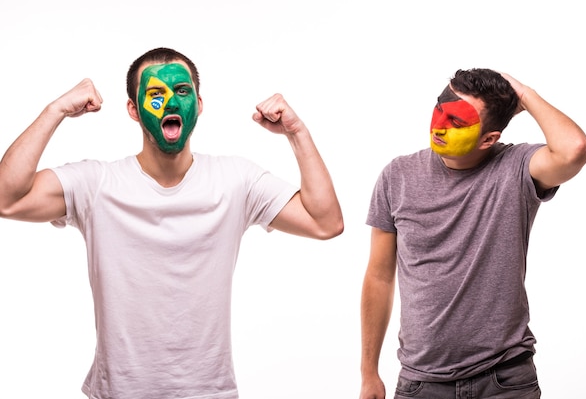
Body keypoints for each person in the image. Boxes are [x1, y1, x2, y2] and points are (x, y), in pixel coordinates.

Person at [0, 47, 343, 399]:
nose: (171, 103)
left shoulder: (235, 180)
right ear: (133, 109)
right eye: (155, 94)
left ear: (199, 103)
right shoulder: (96, 185)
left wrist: (296, 132)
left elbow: (325, 221)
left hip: (210, 393)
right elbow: (7, 198)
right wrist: (54, 110)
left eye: (181, 92)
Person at [359, 68, 586, 399]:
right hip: (422, 383)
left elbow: (575, 149)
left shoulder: (516, 167)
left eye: (457, 121)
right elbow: (379, 276)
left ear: (489, 139)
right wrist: (369, 372)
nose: (440, 125)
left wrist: (524, 94)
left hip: (505, 380)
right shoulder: (397, 176)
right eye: (440, 108)